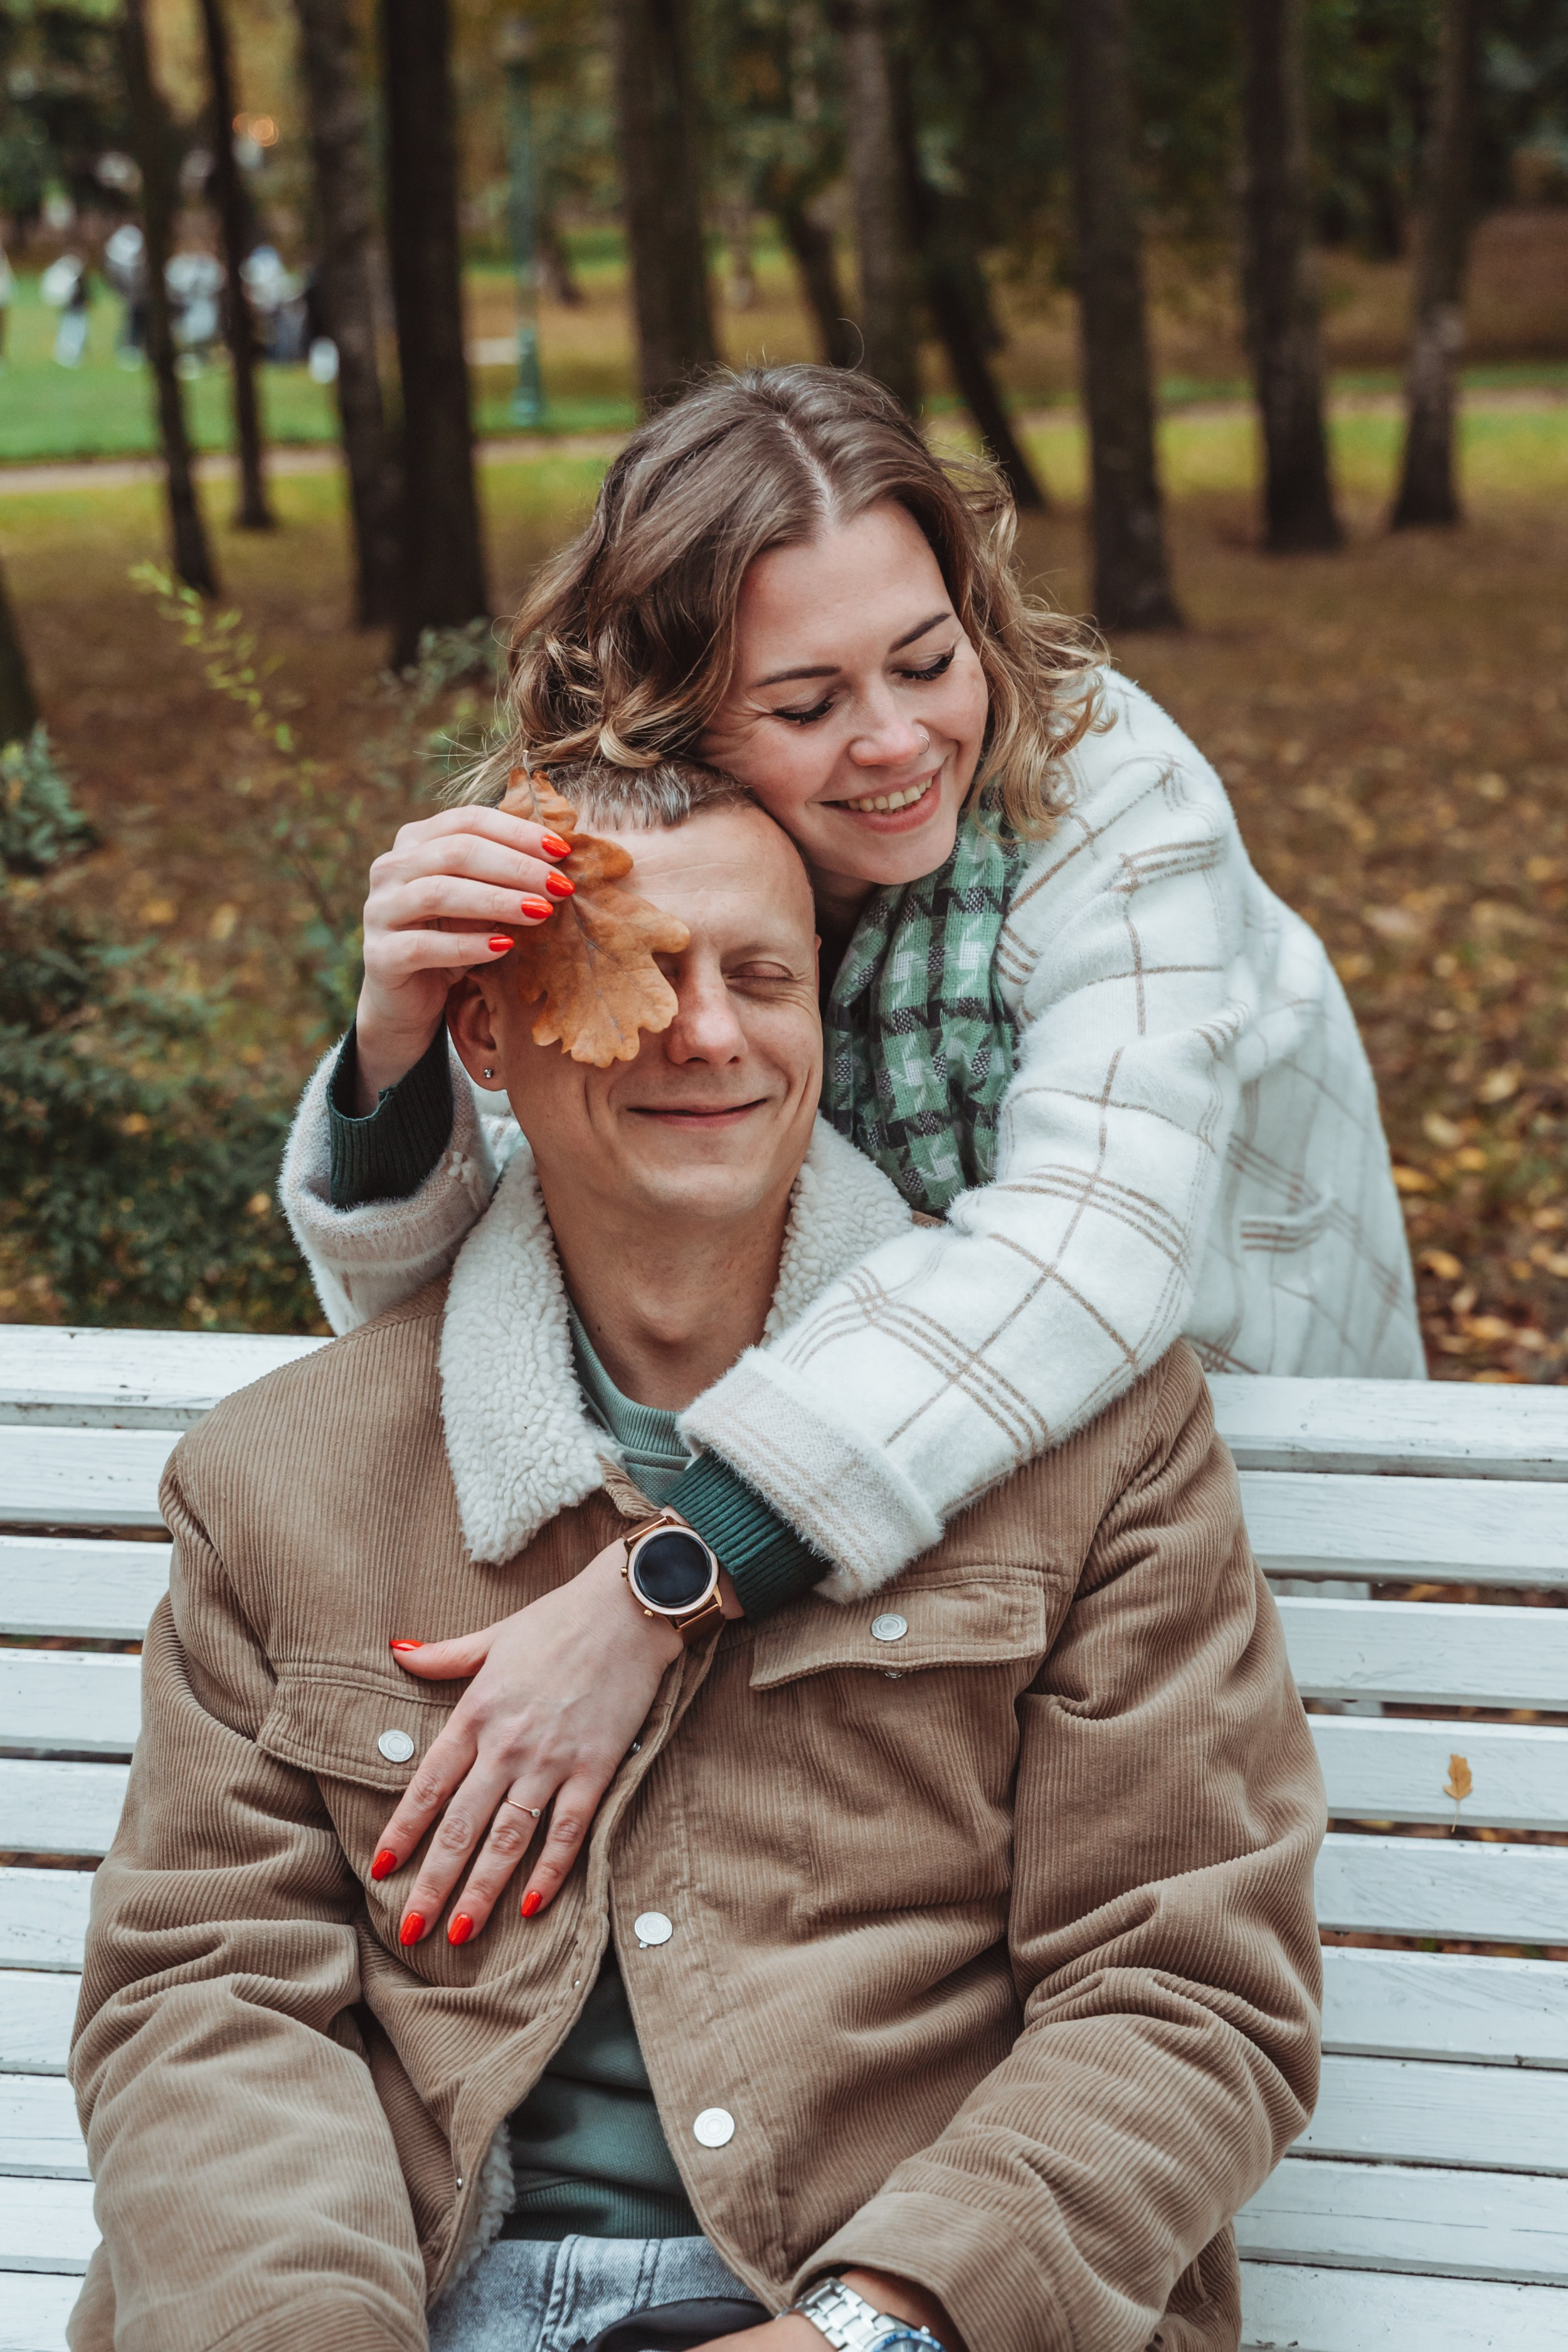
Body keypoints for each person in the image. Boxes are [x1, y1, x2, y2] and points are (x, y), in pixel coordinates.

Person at [72, 770, 1325, 2352]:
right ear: (485, 1035)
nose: (708, 1034)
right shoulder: (280, 1479)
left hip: (889, 2299)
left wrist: (872, 2327)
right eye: (637, 972)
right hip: (413, 2297)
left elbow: (1186, 1988)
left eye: (760, 975)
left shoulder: (1088, 1438)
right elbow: (207, 2002)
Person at [279, 362, 1413, 1939]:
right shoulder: (652, 856)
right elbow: (486, 1272)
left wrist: (664, 1580)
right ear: (677, 717)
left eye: (926, 660)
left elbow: (1083, 1248)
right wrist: (396, 1040)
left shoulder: (1113, 806)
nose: (894, 744)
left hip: (1211, 1461)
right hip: (859, 1513)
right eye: (807, 706)